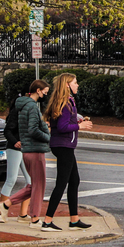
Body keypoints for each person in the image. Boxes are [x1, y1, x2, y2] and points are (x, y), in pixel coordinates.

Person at [42, 73, 93, 231]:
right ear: (67, 85)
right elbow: (62, 127)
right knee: (61, 184)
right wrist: (80, 126)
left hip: (64, 145)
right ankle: (47, 221)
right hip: (63, 146)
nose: (77, 85)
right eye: (75, 83)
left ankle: (74, 219)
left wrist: (77, 121)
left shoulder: (67, 102)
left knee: (74, 180)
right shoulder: (64, 103)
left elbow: (62, 123)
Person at [0, 80, 50, 229]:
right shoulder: (24, 108)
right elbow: (10, 130)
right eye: (44, 91)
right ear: (36, 91)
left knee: (31, 183)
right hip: (19, 147)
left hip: (26, 148)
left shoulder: (27, 107)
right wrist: (15, 142)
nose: (45, 95)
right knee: (12, 179)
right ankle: (3, 212)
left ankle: (21, 213)